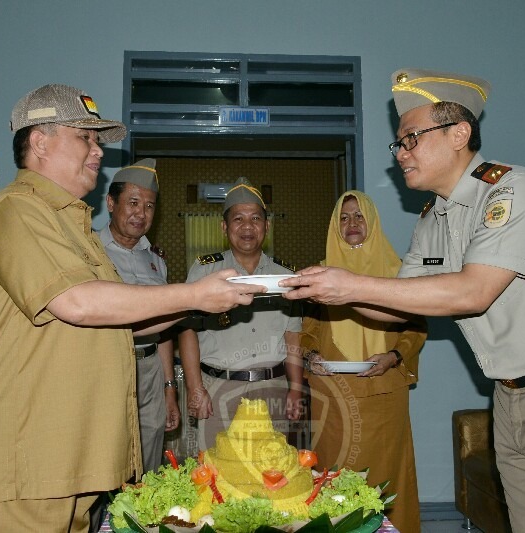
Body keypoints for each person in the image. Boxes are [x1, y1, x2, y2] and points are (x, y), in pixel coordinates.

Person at [282, 68, 525, 532]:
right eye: (398, 143)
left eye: (410, 139)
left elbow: (474, 291)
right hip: (509, 396)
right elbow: (398, 306)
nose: (400, 153)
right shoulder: (434, 220)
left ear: (459, 133)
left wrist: (351, 286)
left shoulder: (512, 190)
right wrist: (323, 292)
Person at [0, 84, 264, 533]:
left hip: (65, 455)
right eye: (86, 137)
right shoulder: (16, 211)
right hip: (24, 456)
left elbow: (126, 323)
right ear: (39, 142)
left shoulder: (70, 226)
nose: (98, 151)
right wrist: (194, 295)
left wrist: (213, 297)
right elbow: (76, 302)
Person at [300, 190, 426, 532]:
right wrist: (310, 355)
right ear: (334, 226)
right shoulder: (322, 275)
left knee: (387, 476)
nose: (352, 223)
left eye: (359, 216)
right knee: (334, 476)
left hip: (385, 392)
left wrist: (393, 356)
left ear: (372, 222)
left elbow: (415, 327)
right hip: (334, 393)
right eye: (344, 217)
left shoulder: (398, 270)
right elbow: (307, 331)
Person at [179, 177, 304, 451]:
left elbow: (292, 335)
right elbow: (187, 330)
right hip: (218, 387)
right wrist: (195, 388)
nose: (247, 226)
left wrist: (295, 387)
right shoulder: (205, 271)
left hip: (272, 388)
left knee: (273, 474)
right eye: (238, 219)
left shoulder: (285, 275)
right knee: (214, 476)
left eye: (256, 219)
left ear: (267, 226)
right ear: (225, 227)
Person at [97, 158, 180, 473]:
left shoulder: (156, 260)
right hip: (106, 365)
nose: (140, 213)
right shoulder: (90, 251)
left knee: (147, 460)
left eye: (149, 206)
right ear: (110, 203)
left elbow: (164, 332)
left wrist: (169, 388)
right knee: (105, 461)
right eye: (132, 202)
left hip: (149, 370)